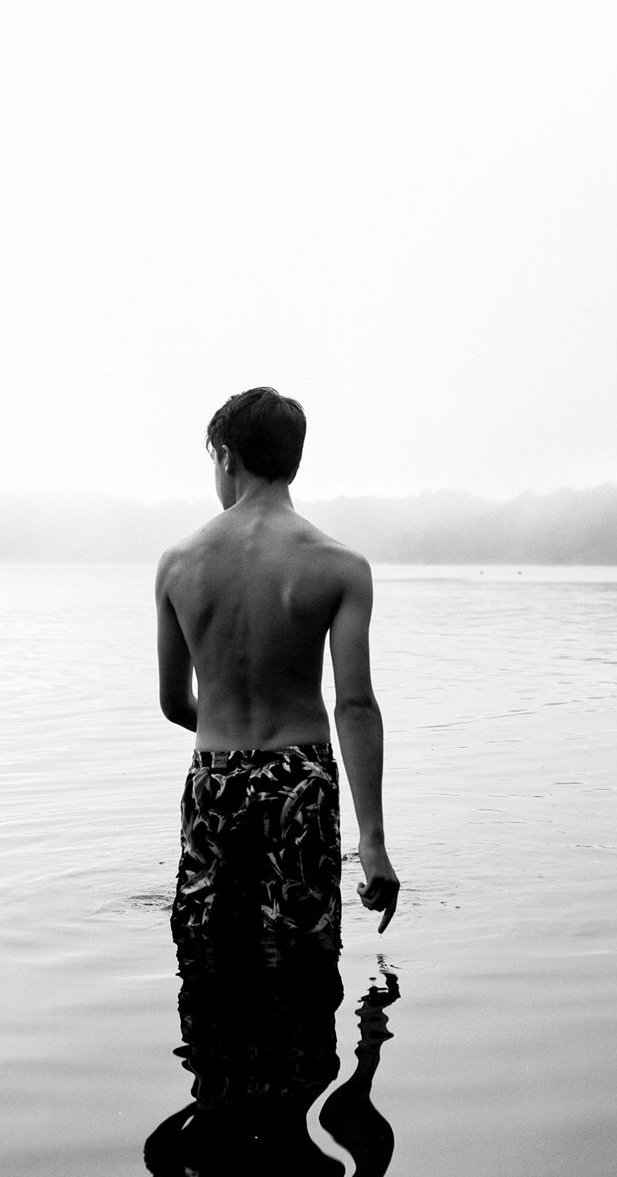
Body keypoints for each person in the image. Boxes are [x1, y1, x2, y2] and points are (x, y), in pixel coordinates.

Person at [155, 387, 400, 942]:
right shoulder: (340, 567)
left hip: (214, 779)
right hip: (300, 781)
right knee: (303, 953)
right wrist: (373, 842)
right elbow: (355, 705)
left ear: (225, 456)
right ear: (294, 461)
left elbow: (173, 704)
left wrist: (229, 734)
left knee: (205, 951)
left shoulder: (177, 565)